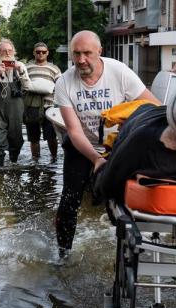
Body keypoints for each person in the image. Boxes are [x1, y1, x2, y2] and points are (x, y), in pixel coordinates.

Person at [53, 30, 160, 258]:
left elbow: (155, 107)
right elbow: (73, 130)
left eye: (87, 54)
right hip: (82, 146)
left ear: (100, 52)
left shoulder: (119, 72)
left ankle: (137, 248)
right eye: (77, 54)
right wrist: (96, 159)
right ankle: (63, 254)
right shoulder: (64, 82)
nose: (81, 60)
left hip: (119, 146)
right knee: (69, 200)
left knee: (127, 199)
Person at [0, 38, 31, 167]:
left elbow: (28, 87)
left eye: (9, 50)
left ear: (14, 52)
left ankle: (14, 164)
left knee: (16, 139)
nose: (7, 53)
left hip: (15, 108)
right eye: (3, 51)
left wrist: (20, 71)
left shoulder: (20, 65)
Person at [24, 42, 62, 163]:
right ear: (34, 53)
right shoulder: (27, 67)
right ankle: (35, 162)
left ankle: (54, 160)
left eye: (43, 52)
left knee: (51, 137)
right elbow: (22, 85)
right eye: (38, 52)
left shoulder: (54, 68)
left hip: (49, 108)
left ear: (47, 53)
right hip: (31, 107)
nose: (41, 54)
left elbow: (61, 86)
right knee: (33, 138)